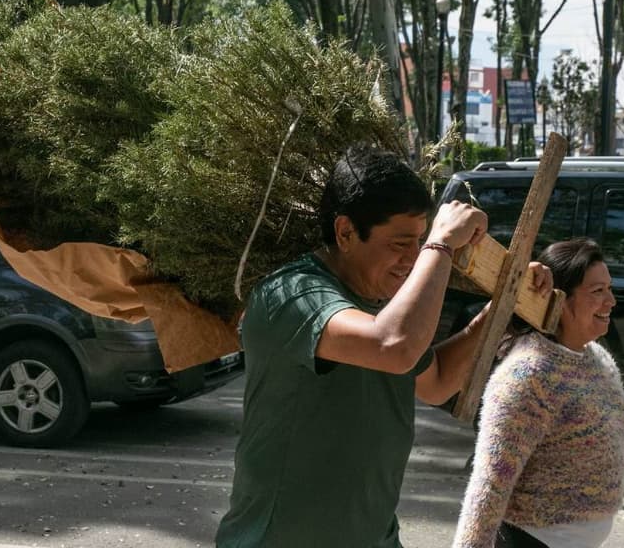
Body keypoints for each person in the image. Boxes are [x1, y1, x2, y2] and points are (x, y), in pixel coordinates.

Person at [215, 145, 552, 547]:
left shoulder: (382, 307)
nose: (411, 259)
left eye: (418, 242)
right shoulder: (291, 294)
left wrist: (505, 310)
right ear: (345, 232)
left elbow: (439, 380)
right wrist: (440, 244)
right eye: (398, 244)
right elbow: (393, 346)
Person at [452, 238, 624, 548]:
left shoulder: (596, 358)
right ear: (559, 300)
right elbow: (491, 483)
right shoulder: (527, 377)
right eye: (597, 292)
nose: (611, 302)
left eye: (609, 289)